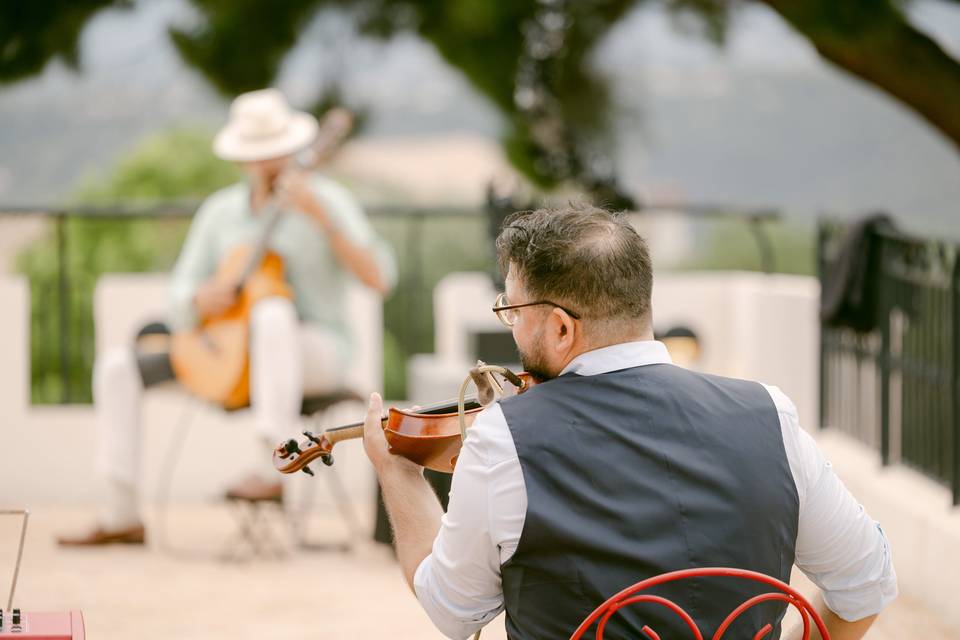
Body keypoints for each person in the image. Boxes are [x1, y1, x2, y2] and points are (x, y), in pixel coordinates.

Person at [361, 203, 896, 639]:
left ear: (562, 329)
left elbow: (453, 611)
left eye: (514, 312)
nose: (513, 330)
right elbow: (867, 582)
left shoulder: (506, 438)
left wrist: (398, 474)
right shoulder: (770, 414)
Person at [59, 88, 395, 546]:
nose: (268, 162)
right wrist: (199, 300)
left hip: (313, 353)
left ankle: (271, 467)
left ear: (295, 149)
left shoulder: (328, 201)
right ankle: (122, 516)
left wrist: (321, 218)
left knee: (272, 312)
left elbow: (379, 278)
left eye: (276, 150)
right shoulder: (219, 213)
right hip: (226, 354)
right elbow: (179, 290)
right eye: (257, 154)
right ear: (242, 159)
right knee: (118, 368)